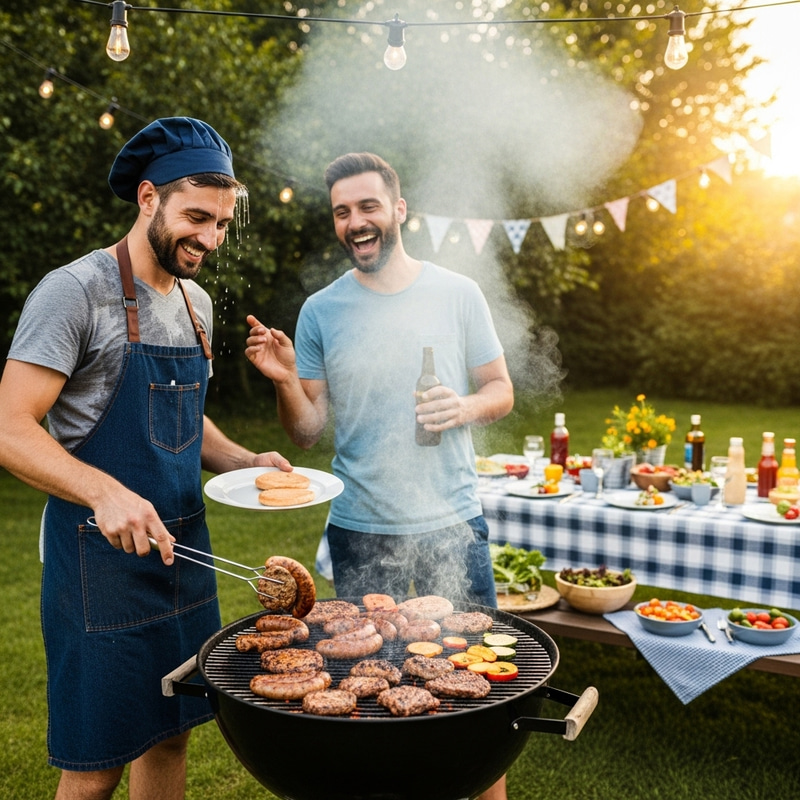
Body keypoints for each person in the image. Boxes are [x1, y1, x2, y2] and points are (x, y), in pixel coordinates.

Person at [0, 117, 292, 800]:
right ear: (148, 197)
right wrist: (104, 492)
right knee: (97, 760)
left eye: (221, 222)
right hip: (98, 564)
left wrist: (246, 460)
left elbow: (184, 417)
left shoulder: (195, 304)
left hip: (185, 553)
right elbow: (11, 427)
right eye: (197, 216)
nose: (210, 237)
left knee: (172, 730)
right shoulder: (75, 291)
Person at [245, 152, 514, 800]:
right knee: (368, 693)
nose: (355, 222)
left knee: (481, 689)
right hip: (361, 529)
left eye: (368, 206)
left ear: (397, 210)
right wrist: (285, 382)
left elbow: (499, 389)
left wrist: (467, 406)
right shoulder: (320, 311)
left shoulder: (457, 292)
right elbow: (307, 431)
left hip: (452, 520)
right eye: (342, 212)